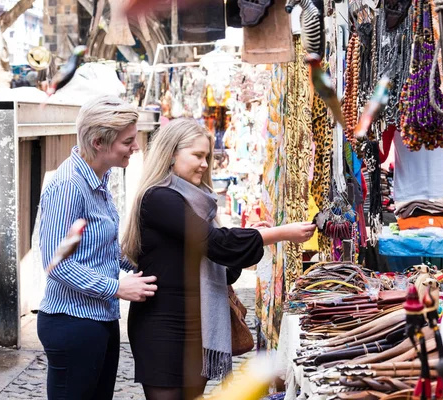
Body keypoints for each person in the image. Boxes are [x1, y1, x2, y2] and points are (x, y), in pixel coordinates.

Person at [121, 118, 316, 400]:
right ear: (172, 153)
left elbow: (224, 271)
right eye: (198, 155)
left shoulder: (200, 201)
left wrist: (249, 242)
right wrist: (278, 234)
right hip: (162, 325)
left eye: (207, 156)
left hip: (196, 326)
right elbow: (214, 243)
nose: (204, 163)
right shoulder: (159, 198)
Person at [37, 95, 158, 399]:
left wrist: (144, 264)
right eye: (127, 141)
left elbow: (102, 248)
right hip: (72, 322)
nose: (136, 147)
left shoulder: (99, 180)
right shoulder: (69, 186)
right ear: (97, 143)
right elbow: (57, 262)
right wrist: (116, 288)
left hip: (99, 318)